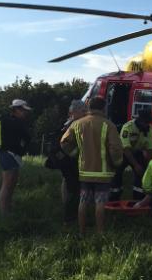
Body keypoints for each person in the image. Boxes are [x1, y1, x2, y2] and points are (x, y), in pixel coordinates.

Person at [60, 97, 123, 234]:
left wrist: (76, 153)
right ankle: (100, 233)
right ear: (103, 108)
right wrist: (116, 162)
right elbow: (116, 148)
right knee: (100, 203)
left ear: (89, 107)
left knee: (83, 201)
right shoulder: (108, 125)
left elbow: (64, 142)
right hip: (103, 172)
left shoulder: (77, 124)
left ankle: (82, 232)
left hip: (84, 171)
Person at [44, 99, 86, 223]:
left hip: (65, 159)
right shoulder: (74, 124)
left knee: (67, 182)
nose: (86, 113)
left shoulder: (69, 122)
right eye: (83, 111)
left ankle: (68, 208)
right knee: (74, 187)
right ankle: (70, 217)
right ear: (75, 112)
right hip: (69, 160)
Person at [110, 109, 152, 201]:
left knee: (141, 173)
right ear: (140, 120)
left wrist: (148, 165)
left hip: (137, 152)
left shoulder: (149, 129)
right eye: (146, 122)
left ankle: (137, 198)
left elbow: (150, 148)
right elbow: (126, 148)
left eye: (148, 122)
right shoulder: (128, 127)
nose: (147, 124)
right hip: (124, 153)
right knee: (117, 173)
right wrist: (136, 165)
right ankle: (114, 197)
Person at [0, 99, 32, 216]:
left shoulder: (12, 121)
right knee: (7, 184)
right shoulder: (13, 122)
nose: (25, 113)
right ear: (16, 109)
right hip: (8, 154)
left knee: (12, 183)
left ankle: (8, 208)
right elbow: (26, 136)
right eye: (23, 110)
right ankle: (4, 213)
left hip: (11, 154)